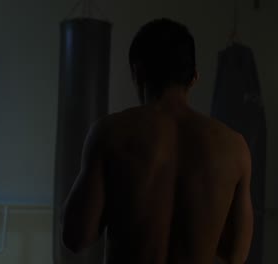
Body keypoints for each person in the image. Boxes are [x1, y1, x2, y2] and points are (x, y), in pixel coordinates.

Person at [61, 18, 254, 264]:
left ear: (137, 71)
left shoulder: (110, 133)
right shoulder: (235, 148)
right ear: (194, 77)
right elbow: (235, 254)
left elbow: (76, 238)